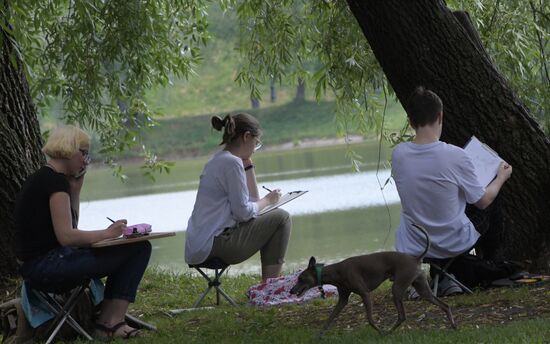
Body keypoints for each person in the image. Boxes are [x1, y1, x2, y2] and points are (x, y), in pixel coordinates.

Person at [15, 125, 151, 339]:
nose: (86, 159)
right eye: (84, 152)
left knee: (133, 249)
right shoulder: (54, 182)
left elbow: (70, 227)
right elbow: (67, 237)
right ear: (69, 149)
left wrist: (75, 189)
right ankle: (109, 323)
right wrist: (108, 233)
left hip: (39, 268)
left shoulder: (43, 178)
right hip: (49, 268)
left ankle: (108, 320)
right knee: (139, 248)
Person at [392, 87, 513, 292]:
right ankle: (491, 264)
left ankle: (442, 276)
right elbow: (482, 201)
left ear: (411, 121)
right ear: (440, 116)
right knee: (492, 199)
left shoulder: (399, 154)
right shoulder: (455, 155)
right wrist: (501, 177)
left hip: (415, 243)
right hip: (452, 242)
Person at [185, 113, 292, 281]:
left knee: (272, 214)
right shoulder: (232, 163)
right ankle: (269, 286)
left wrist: (248, 164)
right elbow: (243, 213)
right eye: (256, 143)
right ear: (246, 136)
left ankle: (269, 284)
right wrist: (269, 200)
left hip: (197, 247)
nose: (255, 148)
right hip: (215, 245)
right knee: (281, 217)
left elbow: (252, 202)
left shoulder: (218, 160)